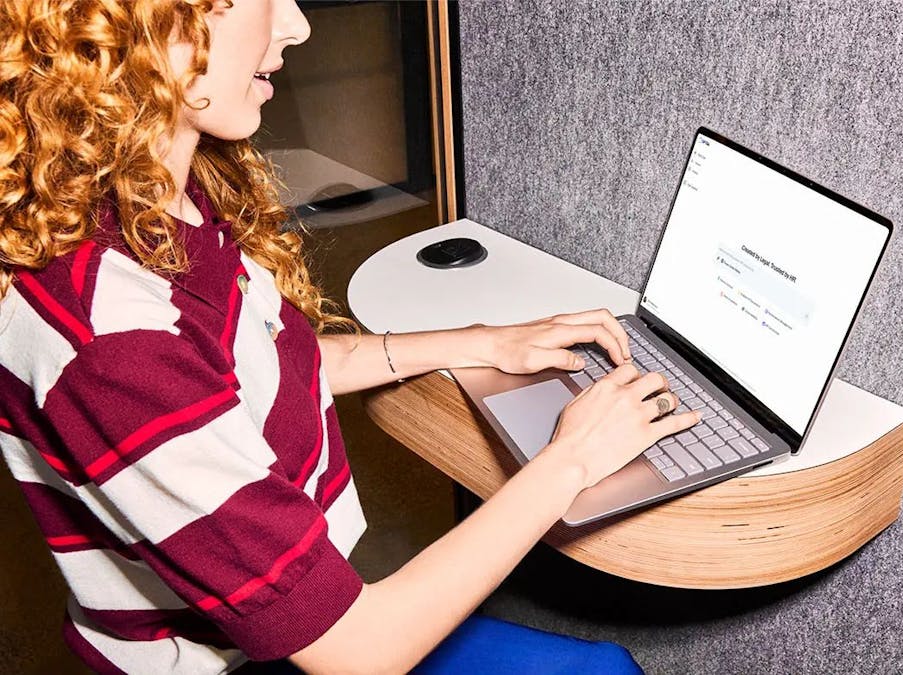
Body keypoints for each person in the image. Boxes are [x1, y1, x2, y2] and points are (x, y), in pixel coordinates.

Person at [0, 0, 702, 672]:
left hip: (269, 623)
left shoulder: (153, 198)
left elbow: (254, 369)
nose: (297, 25)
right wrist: (572, 458)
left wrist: (482, 340)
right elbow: (360, 650)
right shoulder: (110, 335)